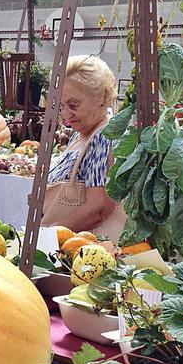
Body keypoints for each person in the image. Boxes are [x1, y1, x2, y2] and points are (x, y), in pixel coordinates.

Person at [42, 55, 126, 238]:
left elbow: (96, 209)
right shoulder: (82, 134)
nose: (66, 114)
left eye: (73, 105)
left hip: (82, 248)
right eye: (62, 106)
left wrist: (48, 235)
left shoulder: (104, 136)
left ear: (102, 97)